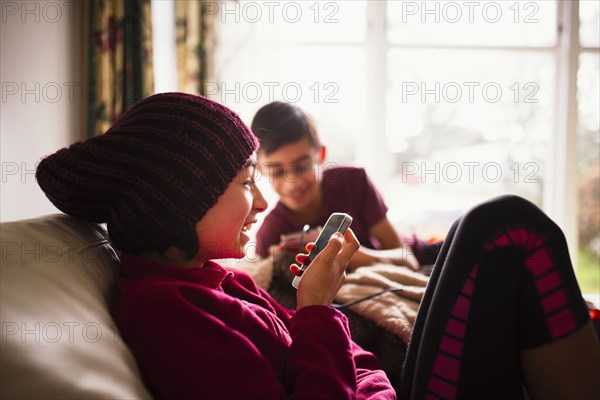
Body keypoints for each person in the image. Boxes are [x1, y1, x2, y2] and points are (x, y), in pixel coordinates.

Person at [35, 93, 599, 400]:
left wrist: (367, 375)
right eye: (245, 182)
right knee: (505, 230)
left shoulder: (216, 278)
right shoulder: (168, 313)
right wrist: (316, 307)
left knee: (477, 245)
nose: (260, 202)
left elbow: (356, 362)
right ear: (181, 205)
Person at [251, 101, 430, 271]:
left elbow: (408, 260)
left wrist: (355, 256)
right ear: (261, 170)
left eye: (303, 166)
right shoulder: (270, 235)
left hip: (422, 254)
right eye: (277, 172)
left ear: (321, 155)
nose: (293, 183)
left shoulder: (353, 182)